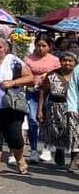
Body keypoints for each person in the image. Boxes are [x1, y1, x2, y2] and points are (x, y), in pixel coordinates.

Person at [0, 37, 35, 179]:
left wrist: (13, 83)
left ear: (6, 48)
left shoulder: (13, 61)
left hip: (12, 107)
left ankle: (20, 159)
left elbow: (30, 78)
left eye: (0, 47)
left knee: (15, 137)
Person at [39, 51, 78, 172]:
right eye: (64, 60)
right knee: (59, 133)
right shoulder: (52, 75)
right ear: (60, 62)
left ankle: (74, 161)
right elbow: (43, 92)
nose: (67, 63)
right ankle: (59, 150)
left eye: (70, 61)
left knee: (75, 134)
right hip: (55, 108)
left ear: (75, 62)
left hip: (74, 108)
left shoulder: (77, 74)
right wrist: (40, 110)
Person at [25, 34, 60, 164]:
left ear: (49, 47)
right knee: (32, 120)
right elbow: (24, 74)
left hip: (49, 94)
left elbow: (58, 77)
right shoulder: (28, 59)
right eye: (38, 45)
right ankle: (33, 150)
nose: (41, 48)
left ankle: (46, 148)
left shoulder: (55, 61)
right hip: (31, 92)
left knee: (47, 120)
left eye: (44, 46)